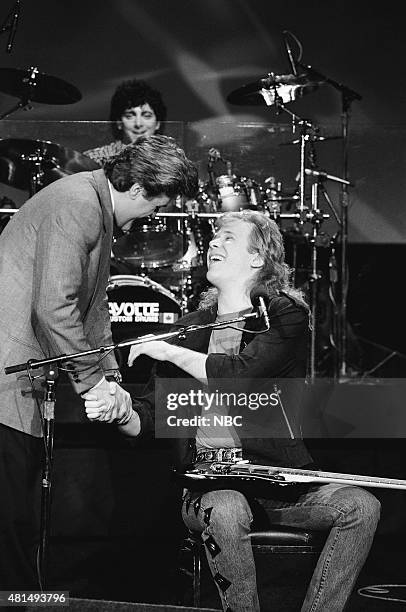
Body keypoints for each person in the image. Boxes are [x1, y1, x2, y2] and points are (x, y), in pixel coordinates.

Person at [84, 210, 380, 612]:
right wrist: (119, 412)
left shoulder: (283, 314)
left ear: (257, 258)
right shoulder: (191, 327)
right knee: (226, 506)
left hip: (274, 484)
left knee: (362, 506)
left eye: (227, 239)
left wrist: (168, 350)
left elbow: (240, 376)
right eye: (213, 238)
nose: (212, 244)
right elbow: (152, 418)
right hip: (208, 488)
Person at [0, 134, 198, 591]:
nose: (152, 216)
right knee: (10, 518)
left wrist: (112, 382)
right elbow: (56, 304)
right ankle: (23, 603)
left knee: (21, 516)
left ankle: (28, 599)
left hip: (24, 377)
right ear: (137, 191)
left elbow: (92, 311)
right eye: (156, 206)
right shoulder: (79, 203)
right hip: (7, 373)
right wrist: (93, 387)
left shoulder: (95, 202)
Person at [83, 78, 167, 167]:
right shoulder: (92, 159)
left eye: (146, 116)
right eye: (130, 116)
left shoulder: (168, 161)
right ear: (119, 122)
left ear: (158, 123)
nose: (138, 124)